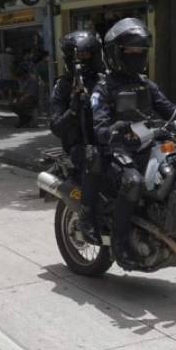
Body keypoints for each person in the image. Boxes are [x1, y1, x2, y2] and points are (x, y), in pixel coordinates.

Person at [92, 18, 176, 267]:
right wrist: (112, 129)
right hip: (116, 149)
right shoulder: (104, 87)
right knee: (133, 182)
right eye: (131, 51)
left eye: (141, 52)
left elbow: (171, 111)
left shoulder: (145, 85)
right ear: (116, 54)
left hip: (146, 145)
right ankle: (119, 244)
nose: (137, 56)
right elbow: (99, 126)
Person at [50, 31, 104, 243]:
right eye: (79, 56)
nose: (84, 60)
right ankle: (87, 217)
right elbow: (56, 126)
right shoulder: (63, 86)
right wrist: (73, 109)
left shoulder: (106, 80)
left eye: (88, 54)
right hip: (80, 145)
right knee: (94, 159)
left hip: (108, 138)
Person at [11, 63, 39, 128]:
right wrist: (17, 97)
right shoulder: (23, 79)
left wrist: (22, 98)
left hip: (32, 99)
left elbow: (31, 93)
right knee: (12, 104)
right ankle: (25, 118)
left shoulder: (32, 80)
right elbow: (22, 91)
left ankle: (24, 120)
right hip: (25, 98)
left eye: (23, 74)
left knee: (19, 104)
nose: (22, 76)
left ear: (26, 73)